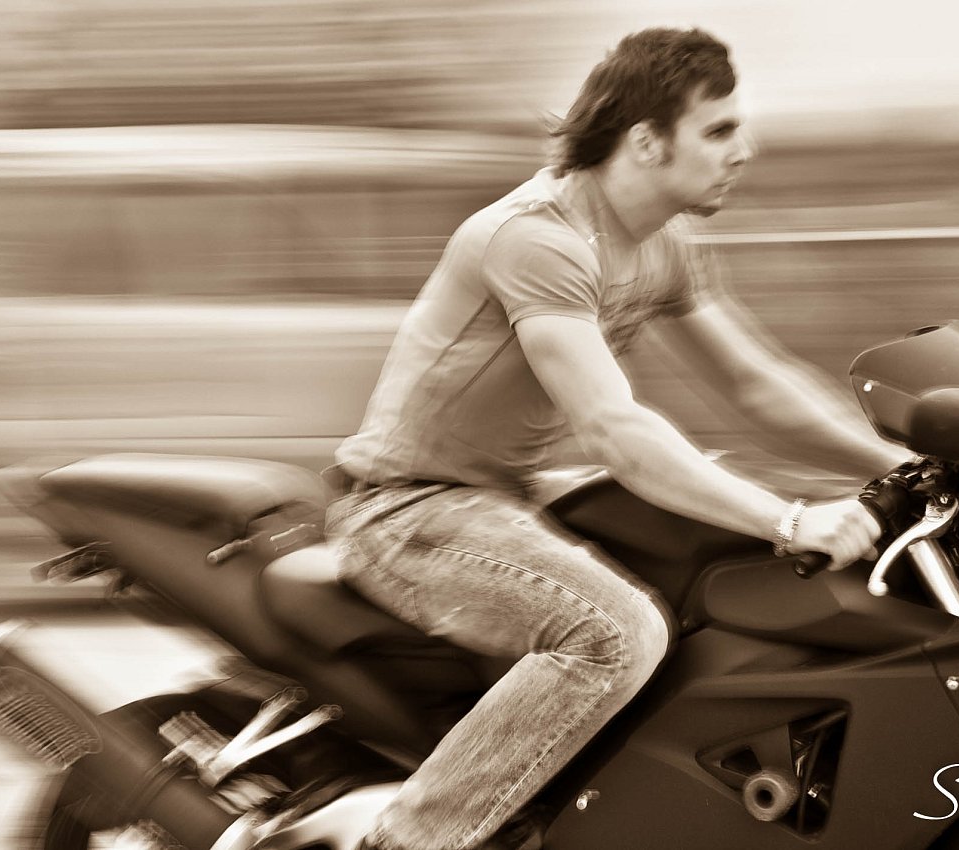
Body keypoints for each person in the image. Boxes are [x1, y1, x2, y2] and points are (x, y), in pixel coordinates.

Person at [324, 26, 911, 850]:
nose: (744, 150)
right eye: (719, 130)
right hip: (408, 511)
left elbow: (757, 384)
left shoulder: (661, 242)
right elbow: (612, 428)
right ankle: (410, 839)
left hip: (508, 497)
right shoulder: (538, 238)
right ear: (646, 141)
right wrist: (789, 519)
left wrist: (909, 463)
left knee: (713, 544)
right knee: (613, 634)